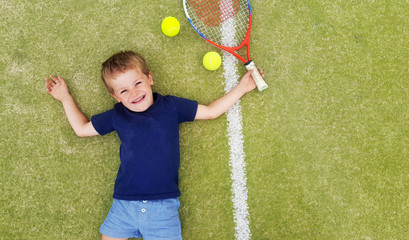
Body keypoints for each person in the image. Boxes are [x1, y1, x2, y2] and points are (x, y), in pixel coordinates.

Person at [45, 51, 261, 240]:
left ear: (149, 78)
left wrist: (242, 88)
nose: (134, 93)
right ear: (115, 96)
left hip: (162, 208)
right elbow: (82, 129)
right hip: (123, 205)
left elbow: (211, 111)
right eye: (123, 91)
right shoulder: (116, 116)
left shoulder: (171, 106)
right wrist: (65, 98)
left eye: (137, 83)